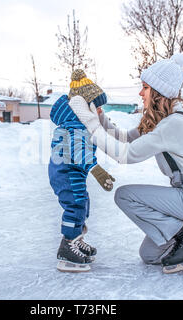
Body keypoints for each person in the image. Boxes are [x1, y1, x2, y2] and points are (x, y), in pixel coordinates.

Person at [69, 53, 183, 270]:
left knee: (125, 195)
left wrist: (91, 125)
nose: (140, 93)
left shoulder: (174, 124)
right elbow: (125, 138)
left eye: (145, 87)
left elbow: (126, 154)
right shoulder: (163, 121)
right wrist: (99, 117)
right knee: (151, 254)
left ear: (158, 92)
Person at [48, 69, 116, 272]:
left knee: (82, 203)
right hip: (67, 172)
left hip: (70, 171)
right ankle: (67, 247)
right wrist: (97, 170)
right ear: (87, 106)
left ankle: (76, 239)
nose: (100, 111)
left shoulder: (75, 119)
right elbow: (79, 153)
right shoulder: (76, 124)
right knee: (76, 205)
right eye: (98, 106)